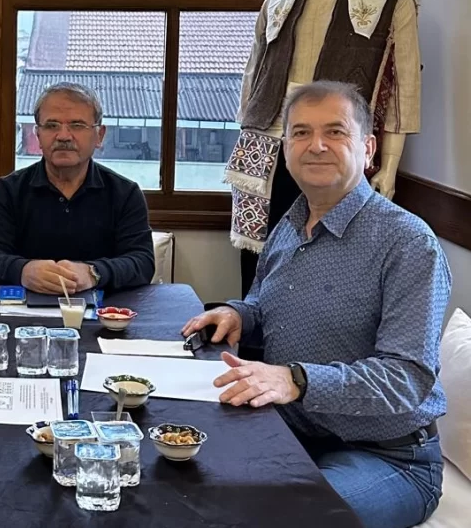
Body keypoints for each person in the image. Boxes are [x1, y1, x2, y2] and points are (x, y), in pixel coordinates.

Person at [182, 82, 449, 528]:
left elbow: (407, 378)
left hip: (388, 457)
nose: (316, 145)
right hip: (289, 434)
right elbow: (264, 305)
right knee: (179, 481)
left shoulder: (407, 242)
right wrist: (237, 313)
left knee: (285, 517)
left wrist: (297, 380)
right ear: (286, 149)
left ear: (368, 148)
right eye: (301, 132)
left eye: (335, 132)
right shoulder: (289, 224)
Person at [0, 82, 155, 295]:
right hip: (24, 310)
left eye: (77, 125)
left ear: (99, 135)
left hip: (103, 310)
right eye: (52, 126)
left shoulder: (125, 193)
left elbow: (142, 262)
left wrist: (93, 273)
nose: (63, 136)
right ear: (38, 135)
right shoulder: (9, 190)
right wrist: (23, 270)